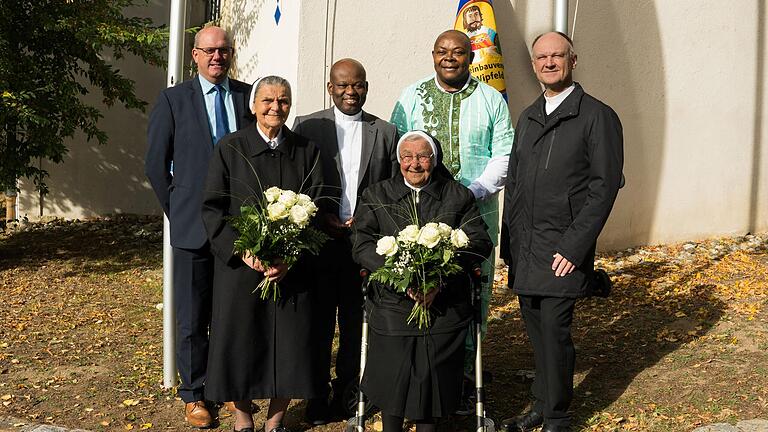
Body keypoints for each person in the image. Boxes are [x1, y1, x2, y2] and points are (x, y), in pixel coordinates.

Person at [500, 32, 624, 432]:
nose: (549, 62)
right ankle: (540, 403)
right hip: (527, 248)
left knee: (554, 333)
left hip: (563, 249)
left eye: (557, 55)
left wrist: (574, 246)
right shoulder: (528, 115)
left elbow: (604, 187)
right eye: (541, 57)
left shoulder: (596, 115)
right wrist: (509, 245)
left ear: (573, 59)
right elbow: (515, 184)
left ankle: (558, 417)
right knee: (536, 332)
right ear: (533, 64)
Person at [390, 29, 514, 411]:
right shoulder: (411, 97)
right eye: (443, 51)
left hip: (476, 213)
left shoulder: (492, 99)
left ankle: (464, 376)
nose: (450, 58)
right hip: (419, 215)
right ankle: (418, 372)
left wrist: (471, 192)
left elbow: (504, 154)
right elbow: (396, 149)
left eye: (458, 52)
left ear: (470, 56)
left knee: (472, 290)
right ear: (432, 55)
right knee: (421, 284)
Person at [200, 76, 326, 432]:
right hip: (241, 266)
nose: (276, 107)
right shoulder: (231, 147)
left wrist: (291, 256)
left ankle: (276, 419)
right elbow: (213, 207)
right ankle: (242, 417)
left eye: (283, 101)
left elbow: (317, 204)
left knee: (290, 343)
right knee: (237, 340)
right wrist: (241, 252)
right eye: (268, 100)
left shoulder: (306, 150)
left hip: (290, 268)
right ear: (253, 105)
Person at [144, 25, 253, 428]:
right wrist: (178, 207)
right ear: (194, 55)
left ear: (231, 53)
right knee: (192, 314)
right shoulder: (173, 100)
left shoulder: (246, 97)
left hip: (241, 226)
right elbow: (156, 164)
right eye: (209, 51)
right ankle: (194, 394)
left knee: (231, 312)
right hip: (192, 225)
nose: (216, 57)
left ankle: (227, 388)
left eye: (223, 50)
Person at [352, 130, 493, 432]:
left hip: (444, 300)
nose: (414, 164)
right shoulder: (376, 195)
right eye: (407, 157)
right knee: (395, 363)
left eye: (422, 156)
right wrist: (400, 278)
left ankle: (427, 425)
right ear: (398, 160)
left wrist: (438, 280)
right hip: (393, 300)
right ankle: (391, 425)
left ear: (434, 159)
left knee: (431, 365)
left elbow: (480, 242)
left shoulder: (456, 195)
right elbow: (361, 243)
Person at [291, 58, 399, 424]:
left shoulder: (385, 131)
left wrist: (368, 225)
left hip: (362, 241)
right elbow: (296, 181)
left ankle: (350, 391)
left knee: (356, 322)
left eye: (358, 85)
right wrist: (320, 217)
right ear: (330, 88)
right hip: (320, 239)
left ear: (366, 87)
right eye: (343, 85)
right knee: (318, 321)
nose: (351, 92)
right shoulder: (308, 126)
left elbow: (389, 190)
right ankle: (317, 394)